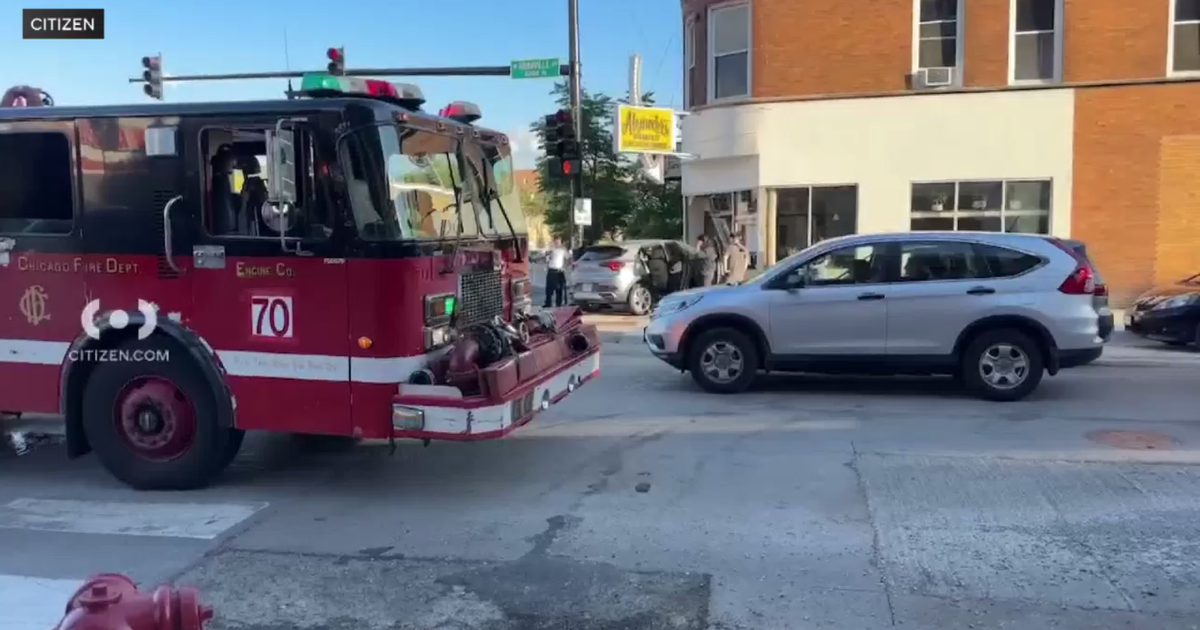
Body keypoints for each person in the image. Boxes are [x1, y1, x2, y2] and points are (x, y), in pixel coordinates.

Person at [543, 237, 568, 307]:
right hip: (551, 270)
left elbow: (568, 258)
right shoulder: (551, 249)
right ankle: (548, 303)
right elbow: (546, 258)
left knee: (559, 288)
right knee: (548, 289)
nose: (557, 243)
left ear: (560, 242)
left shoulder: (563, 249)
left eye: (558, 242)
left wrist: (565, 267)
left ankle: (558, 303)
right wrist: (548, 253)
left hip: (559, 271)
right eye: (556, 242)